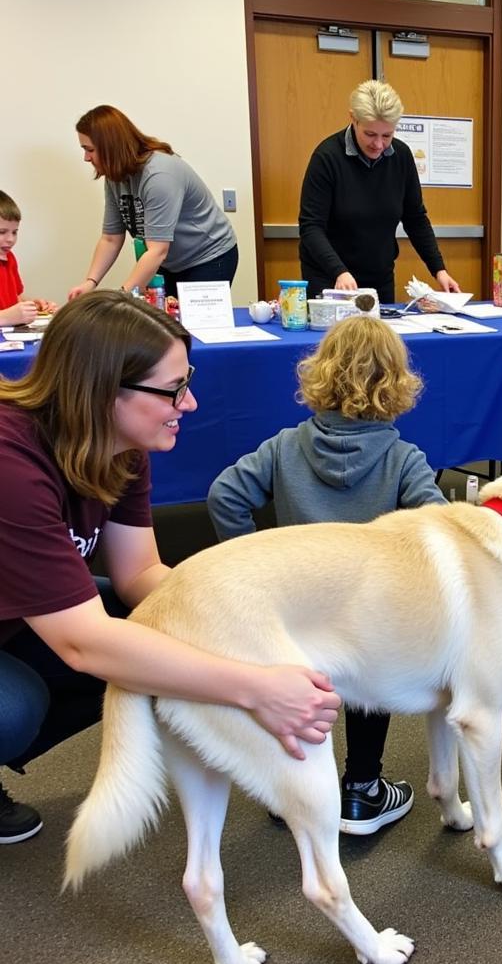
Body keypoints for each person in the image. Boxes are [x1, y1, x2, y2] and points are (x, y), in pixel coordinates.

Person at [0, 292, 340, 844]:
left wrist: (247, 618)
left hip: (24, 615)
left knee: (165, 639)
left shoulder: (120, 445)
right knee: (17, 710)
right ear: (106, 391)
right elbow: (83, 643)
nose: (191, 404)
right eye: (174, 389)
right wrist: (256, 688)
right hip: (43, 625)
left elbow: (141, 577)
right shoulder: (12, 467)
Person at [207, 315, 445, 835]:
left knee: (295, 692)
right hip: (370, 616)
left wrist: (253, 564)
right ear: (398, 385)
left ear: (320, 373)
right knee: (370, 688)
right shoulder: (404, 460)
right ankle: (361, 792)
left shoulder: (284, 446)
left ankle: (290, 792)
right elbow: (438, 529)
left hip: (294, 608)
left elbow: (225, 495)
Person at [298, 79, 461, 303]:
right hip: (331, 277)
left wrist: (439, 269)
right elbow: (311, 227)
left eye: (387, 135)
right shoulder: (327, 158)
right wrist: (339, 271)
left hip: (378, 277)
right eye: (370, 134)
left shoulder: (401, 157)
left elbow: (415, 219)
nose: (378, 144)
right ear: (353, 119)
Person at [67, 105, 239, 301]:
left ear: (111, 146)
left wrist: (122, 299)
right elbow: (111, 238)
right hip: (168, 261)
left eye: (90, 150)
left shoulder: (160, 174)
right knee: (164, 322)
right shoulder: (114, 177)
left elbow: (158, 250)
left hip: (208, 256)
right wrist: (90, 282)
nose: (86, 158)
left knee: (192, 325)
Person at [0, 191, 57, 326]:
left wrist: (31, 306)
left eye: (14, 232)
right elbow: (8, 315)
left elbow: (15, 298)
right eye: (2, 232)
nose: (10, 239)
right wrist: (5, 317)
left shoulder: (9, 258)